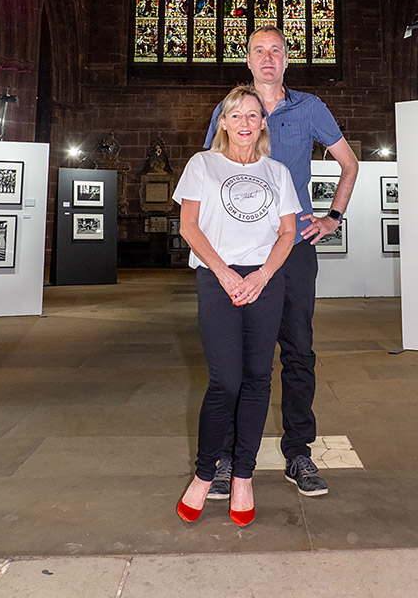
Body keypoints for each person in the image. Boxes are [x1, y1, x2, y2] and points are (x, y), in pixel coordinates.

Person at [204, 25, 359, 499]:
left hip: (292, 250)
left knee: (297, 350)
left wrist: (333, 216)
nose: (267, 58)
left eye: (276, 50)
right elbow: (212, 169)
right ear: (247, 60)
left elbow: (350, 164)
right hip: (240, 252)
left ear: (287, 59)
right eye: (259, 51)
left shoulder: (308, 108)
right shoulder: (232, 110)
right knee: (241, 360)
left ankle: (298, 452)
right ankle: (227, 458)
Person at [173, 84, 299, 526]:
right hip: (217, 278)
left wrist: (263, 275)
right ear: (222, 123)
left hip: (265, 280)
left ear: (263, 123)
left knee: (258, 379)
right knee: (225, 381)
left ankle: (243, 475)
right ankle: (205, 473)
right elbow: (189, 226)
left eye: (252, 115)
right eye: (235, 115)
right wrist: (225, 272)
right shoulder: (202, 164)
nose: (244, 123)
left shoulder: (277, 172)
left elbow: (287, 233)